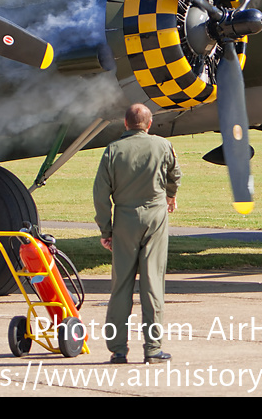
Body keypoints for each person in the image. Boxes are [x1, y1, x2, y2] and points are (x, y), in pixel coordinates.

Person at [92, 103, 181, 364]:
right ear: (149, 124)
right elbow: (175, 174)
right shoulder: (162, 145)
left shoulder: (112, 150)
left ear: (125, 123)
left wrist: (106, 229)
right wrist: (171, 195)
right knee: (153, 282)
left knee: (121, 285)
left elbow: (100, 193)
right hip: (155, 216)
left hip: (125, 219)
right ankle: (153, 349)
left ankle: (117, 349)